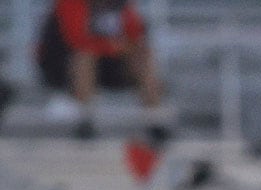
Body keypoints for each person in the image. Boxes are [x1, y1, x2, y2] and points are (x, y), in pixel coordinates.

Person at [36, 0, 167, 140]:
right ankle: (84, 119)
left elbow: (135, 36)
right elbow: (76, 40)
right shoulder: (71, 3)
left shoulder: (121, 5)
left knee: (143, 55)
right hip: (64, 66)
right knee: (85, 56)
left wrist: (119, 47)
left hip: (108, 63)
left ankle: (155, 119)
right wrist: (113, 46)